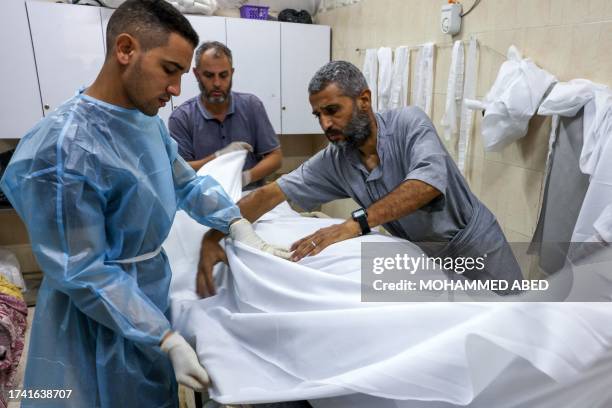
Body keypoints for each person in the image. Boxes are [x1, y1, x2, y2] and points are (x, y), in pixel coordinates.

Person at [0, 1, 289, 406]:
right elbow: (82, 269)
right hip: (92, 323)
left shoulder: (146, 122)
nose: (176, 90)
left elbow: (185, 183)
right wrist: (165, 337)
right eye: (170, 70)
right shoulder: (64, 148)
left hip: (148, 300)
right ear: (125, 49)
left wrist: (234, 222)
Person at [198, 60, 523, 296]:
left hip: (475, 244)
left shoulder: (409, 124)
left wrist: (353, 225)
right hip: (424, 259)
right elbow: (269, 195)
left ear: (363, 100)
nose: (325, 124)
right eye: (318, 115)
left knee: (518, 315)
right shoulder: (336, 160)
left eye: (332, 110)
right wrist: (215, 235)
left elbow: (426, 185)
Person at [169, 41, 282, 189]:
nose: (217, 83)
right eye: (209, 75)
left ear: (232, 73)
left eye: (223, 75)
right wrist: (217, 157)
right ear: (197, 74)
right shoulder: (181, 117)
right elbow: (180, 172)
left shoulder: (252, 106)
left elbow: (275, 158)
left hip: (250, 195)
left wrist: (244, 178)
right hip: (204, 199)